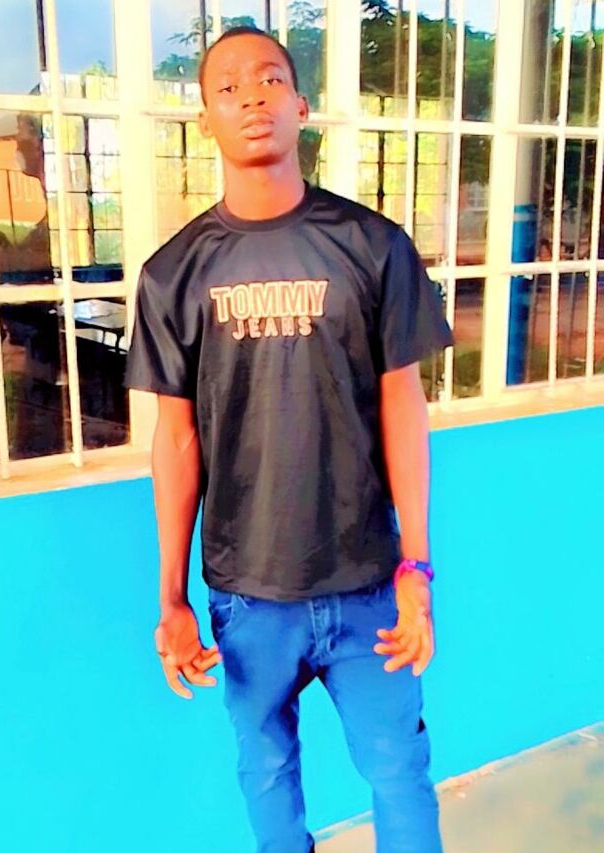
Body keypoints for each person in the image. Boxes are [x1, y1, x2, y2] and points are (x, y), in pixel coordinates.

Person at [124, 26, 454, 853]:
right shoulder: (174, 273)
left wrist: (416, 567)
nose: (251, 97)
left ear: (301, 106)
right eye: (228, 87)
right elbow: (176, 442)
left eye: (270, 79)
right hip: (248, 595)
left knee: (400, 773)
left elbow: (404, 409)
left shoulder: (373, 247)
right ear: (205, 118)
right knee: (266, 774)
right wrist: (171, 597)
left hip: (367, 584)